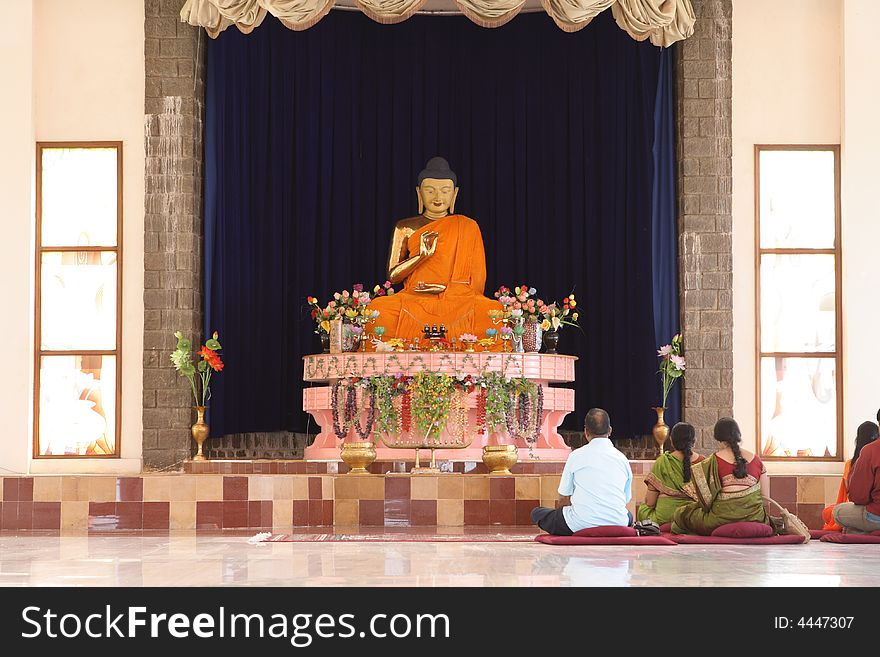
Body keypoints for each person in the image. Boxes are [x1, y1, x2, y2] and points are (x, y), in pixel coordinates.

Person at [368, 157, 502, 342]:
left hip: (457, 300)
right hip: (414, 297)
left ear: (454, 194)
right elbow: (393, 275)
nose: (438, 198)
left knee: (491, 313)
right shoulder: (405, 227)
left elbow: (477, 280)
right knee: (377, 310)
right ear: (419, 193)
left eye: (444, 191)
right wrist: (422, 256)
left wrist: (449, 290)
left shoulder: (467, 226)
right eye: (430, 191)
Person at [530, 408, 633, 535]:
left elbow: (563, 498)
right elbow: (626, 499)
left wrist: (564, 516)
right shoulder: (622, 459)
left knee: (537, 513)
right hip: (618, 523)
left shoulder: (576, 456)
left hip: (579, 524)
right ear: (610, 430)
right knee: (628, 515)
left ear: (586, 431)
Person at [672, 417, 771, 535]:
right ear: (738, 435)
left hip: (720, 520)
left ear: (717, 438)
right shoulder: (757, 461)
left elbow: (705, 503)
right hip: (755, 518)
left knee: (682, 514)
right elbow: (765, 500)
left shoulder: (712, 461)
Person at [637, 422, 705, 526]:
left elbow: (650, 502)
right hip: (693, 516)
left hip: (665, 517)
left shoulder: (662, 461)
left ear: (672, 441)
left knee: (643, 509)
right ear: (694, 441)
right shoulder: (703, 462)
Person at [822, 421, 879, 531]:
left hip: (873, 512)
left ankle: (859, 532)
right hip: (870, 509)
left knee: (835, 511)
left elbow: (858, 497)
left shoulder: (868, 452)